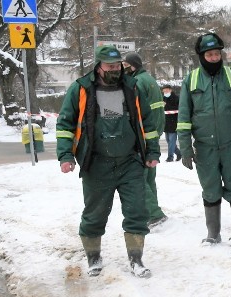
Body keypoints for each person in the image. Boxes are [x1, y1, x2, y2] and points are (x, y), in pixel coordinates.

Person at [55, 45, 161, 278]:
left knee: (137, 211)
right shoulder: (81, 88)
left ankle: (136, 259)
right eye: (109, 66)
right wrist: (65, 155)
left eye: (117, 66)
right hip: (96, 163)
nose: (114, 70)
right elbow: (65, 125)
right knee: (95, 214)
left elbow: (148, 123)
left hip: (129, 161)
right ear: (98, 65)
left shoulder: (132, 87)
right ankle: (93, 257)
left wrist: (152, 152)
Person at [177, 32, 231, 245]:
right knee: (210, 190)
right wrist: (185, 148)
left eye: (217, 54)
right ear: (202, 56)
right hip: (204, 148)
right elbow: (184, 118)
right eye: (209, 54)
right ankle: (213, 234)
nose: (214, 58)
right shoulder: (191, 80)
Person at [123, 51, 168, 228]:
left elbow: (136, 112)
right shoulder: (149, 80)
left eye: (125, 65)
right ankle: (153, 212)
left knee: (138, 177)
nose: (122, 69)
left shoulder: (137, 82)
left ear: (132, 66)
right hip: (153, 134)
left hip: (142, 136)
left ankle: (154, 214)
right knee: (149, 176)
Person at [161, 84, 181, 162]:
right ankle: (179, 153)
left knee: (171, 141)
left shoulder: (176, 98)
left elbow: (177, 108)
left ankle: (170, 157)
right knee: (168, 141)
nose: (165, 92)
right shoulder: (163, 99)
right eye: (164, 91)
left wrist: (167, 105)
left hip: (174, 123)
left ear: (170, 90)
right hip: (166, 123)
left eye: (166, 91)